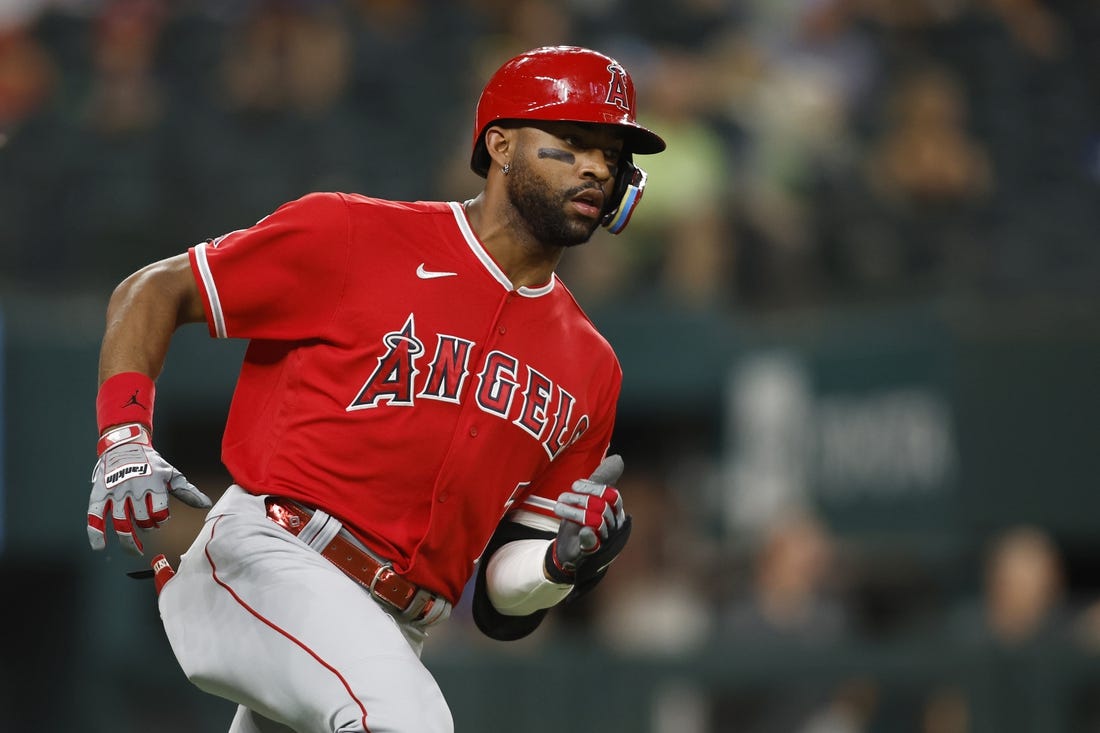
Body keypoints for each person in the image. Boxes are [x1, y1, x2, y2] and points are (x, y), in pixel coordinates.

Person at [85, 45, 665, 733]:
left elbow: (502, 607)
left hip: (396, 625)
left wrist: (562, 563)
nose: (597, 166)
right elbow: (154, 289)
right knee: (405, 721)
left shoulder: (592, 366)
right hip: (271, 557)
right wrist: (124, 437)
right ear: (501, 144)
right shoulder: (357, 234)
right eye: (570, 142)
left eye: (611, 153)